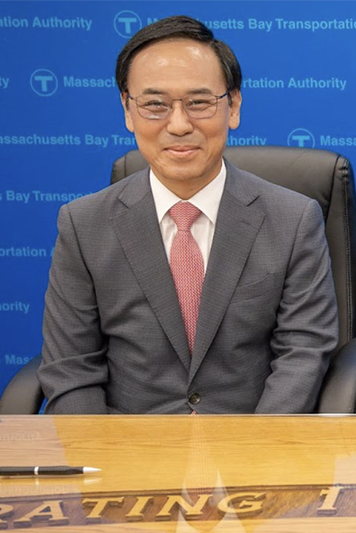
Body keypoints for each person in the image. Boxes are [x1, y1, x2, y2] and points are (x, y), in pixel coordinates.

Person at [38, 16, 338, 414]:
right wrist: (105, 461)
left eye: (198, 103)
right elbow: (72, 369)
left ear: (233, 106)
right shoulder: (83, 224)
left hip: (250, 446)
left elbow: (303, 354)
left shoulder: (294, 219)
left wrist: (257, 459)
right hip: (131, 451)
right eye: (155, 105)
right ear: (128, 111)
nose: (178, 125)